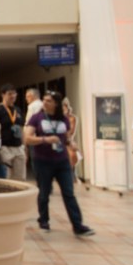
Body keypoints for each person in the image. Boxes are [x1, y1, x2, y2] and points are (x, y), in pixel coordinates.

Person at [24, 90, 95, 236]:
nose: (44, 103)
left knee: (69, 193)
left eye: (49, 101)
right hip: (43, 161)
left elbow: (66, 137)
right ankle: (43, 220)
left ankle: (78, 225)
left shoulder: (64, 119)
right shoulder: (36, 118)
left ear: (56, 104)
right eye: (44, 100)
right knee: (44, 192)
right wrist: (45, 140)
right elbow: (28, 138)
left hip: (62, 161)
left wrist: (72, 144)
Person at [0, 83, 26, 180]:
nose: (13, 96)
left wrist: (24, 146)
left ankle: (19, 195)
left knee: (20, 177)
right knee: (7, 177)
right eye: (9, 94)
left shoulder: (18, 110)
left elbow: (21, 128)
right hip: (5, 147)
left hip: (18, 146)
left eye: (14, 93)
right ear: (3, 95)